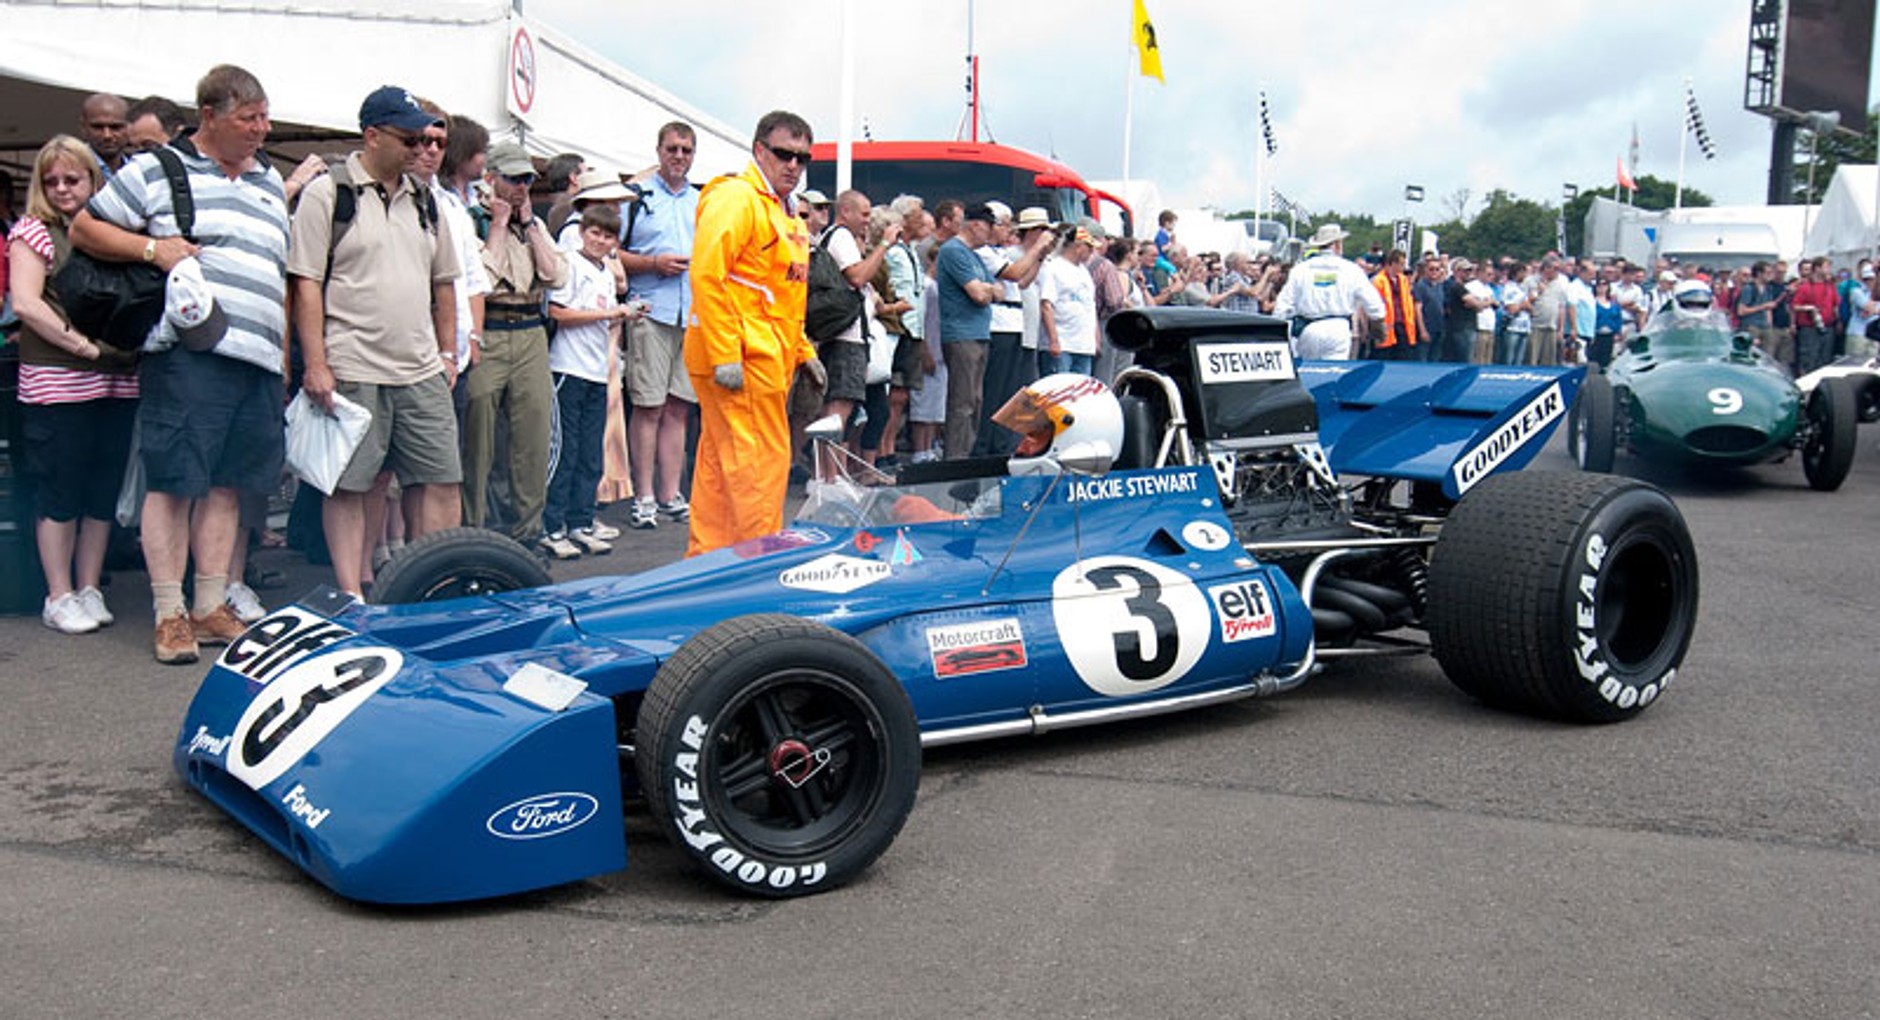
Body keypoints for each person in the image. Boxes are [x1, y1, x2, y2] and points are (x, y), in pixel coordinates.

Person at [70, 64, 291, 665]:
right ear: (210, 116)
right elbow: (84, 226)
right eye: (250, 119)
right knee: (174, 480)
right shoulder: (158, 168)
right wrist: (152, 248)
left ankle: (209, 602)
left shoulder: (271, 179)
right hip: (192, 355)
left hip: (259, 358)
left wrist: (286, 357)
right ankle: (169, 612)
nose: (261, 130)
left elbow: (277, 276)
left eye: (265, 117)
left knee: (228, 483)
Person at [287, 85, 462, 601]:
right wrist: (315, 363)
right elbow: (305, 283)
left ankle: (435, 589)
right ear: (372, 135)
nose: (418, 148)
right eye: (408, 137)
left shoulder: (427, 199)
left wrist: (448, 354)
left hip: (420, 366)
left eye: (425, 138)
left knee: (441, 479)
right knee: (352, 483)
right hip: (353, 363)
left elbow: (444, 283)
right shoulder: (329, 193)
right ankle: (352, 593)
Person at [6, 136, 139, 634]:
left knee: (100, 491)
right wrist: (84, 347)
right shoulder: (33, 231)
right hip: (58, 382)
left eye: (72, 178)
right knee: (59, 491)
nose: (62, 188)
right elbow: (25, 303)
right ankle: (58, 593)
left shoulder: (112, 230)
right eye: (52, 180)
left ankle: (89, 587)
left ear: (93, 180)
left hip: (116, 381)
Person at [682, 110, 825, 556]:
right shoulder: (739, 199)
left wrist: (803, 351)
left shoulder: (785, 214)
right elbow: (708, 274)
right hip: (742, 360)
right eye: (785, 154)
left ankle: (709, 564)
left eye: (803, 158)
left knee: (722, 469)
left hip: (761, 358)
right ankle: (759, 564)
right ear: (759, 150)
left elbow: (782, 294)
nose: (794, 166)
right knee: (758, 467)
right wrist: (725, 353)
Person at [461, 138, 567, 544]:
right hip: (490, 329)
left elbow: (555, 275)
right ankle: (474, 531)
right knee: (479, 440)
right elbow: (483, 279)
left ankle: (528, 530)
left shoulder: (533, 224)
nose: (522, 186)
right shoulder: (472, 220)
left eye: (527, 179)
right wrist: (501, 225)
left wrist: (529, 226)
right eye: (514, 179)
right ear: (491, 179)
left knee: (533, 440)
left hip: (528, 331)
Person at [543, 203, 639, 558]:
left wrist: (625, 314)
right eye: (594, 232)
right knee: (564, 453)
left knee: (590, 454)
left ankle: (580, 522)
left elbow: (604, 315)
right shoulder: (572, 265)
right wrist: (610, 312)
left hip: (597, 370)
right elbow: (558, 313)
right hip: (568, 368)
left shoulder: (604, 272)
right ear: (582, 232)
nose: (599, 240)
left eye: (607, 235)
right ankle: (552, 526)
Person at [619, 121, 700, 530]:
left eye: (686, 150)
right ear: (658, 150)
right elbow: (610, 251)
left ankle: (671, 493)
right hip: (651, 309)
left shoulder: (702, 201)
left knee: (678, 409)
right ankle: (644, 495)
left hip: (691, 315)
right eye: (672, 149)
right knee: (648, 406)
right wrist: (652, 264)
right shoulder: (635, 198)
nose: (679, 157)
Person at [935, 202, 1004, 458]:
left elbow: (1000, 289)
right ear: (975, 225)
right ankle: (955, 458)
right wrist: (989, 290)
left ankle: (965, 453)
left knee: (975, 401)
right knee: (962, 402)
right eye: (988, 227)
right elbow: (978, 293)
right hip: (962, 334)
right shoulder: (953, 251)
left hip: (978, 333)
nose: (990, 234)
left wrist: (990, 290)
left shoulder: (974, 256)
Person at [1272, 223, 1384, 360]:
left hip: (1308, 329)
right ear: (1337, 245)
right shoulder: (1351, 269)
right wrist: (1378, 322)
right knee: (1334, 372)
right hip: (1338, 329)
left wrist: (1276, 331)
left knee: (1309, 373)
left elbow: (1283, 305)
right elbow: (1373, 302)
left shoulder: (1300, 270)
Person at [1038, 227, 1100, 376]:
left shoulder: (1084, 272)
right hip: (1063, 342)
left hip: (1083, 344)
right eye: (1089, 247)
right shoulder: (1053, 267)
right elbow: (1046, 305)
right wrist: (1053, 340)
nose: (1092, 252)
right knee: (1057, 389)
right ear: (1078, 246)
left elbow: (1090, 306)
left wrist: (1095, 338)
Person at [1367, 248, 1421, 360]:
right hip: (1386, 326)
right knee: (1384, 356)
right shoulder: (1378, 281)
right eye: (1401, 264)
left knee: (1403, 357)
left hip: (1403, 325)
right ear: (1392, 263)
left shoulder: (1404, 280)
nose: (1403, 267)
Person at [1791, 257, 1838, 376]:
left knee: (1825, 359)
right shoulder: (1805, 287)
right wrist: (1809, 308)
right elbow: (1794, 306)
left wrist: (1838, 321)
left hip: (1828, 326)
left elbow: (1835, 304)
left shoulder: (1830, 286)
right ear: (1817, 268)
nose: (1828, 270)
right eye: (1826, 267)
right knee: (1808, 359)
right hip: (1809, 328)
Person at [79, 94, 130, 177]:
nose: (107, 135)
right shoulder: (70, 168)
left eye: (115, 127)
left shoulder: (139, 170)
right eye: (98, 127)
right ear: (84, 128)